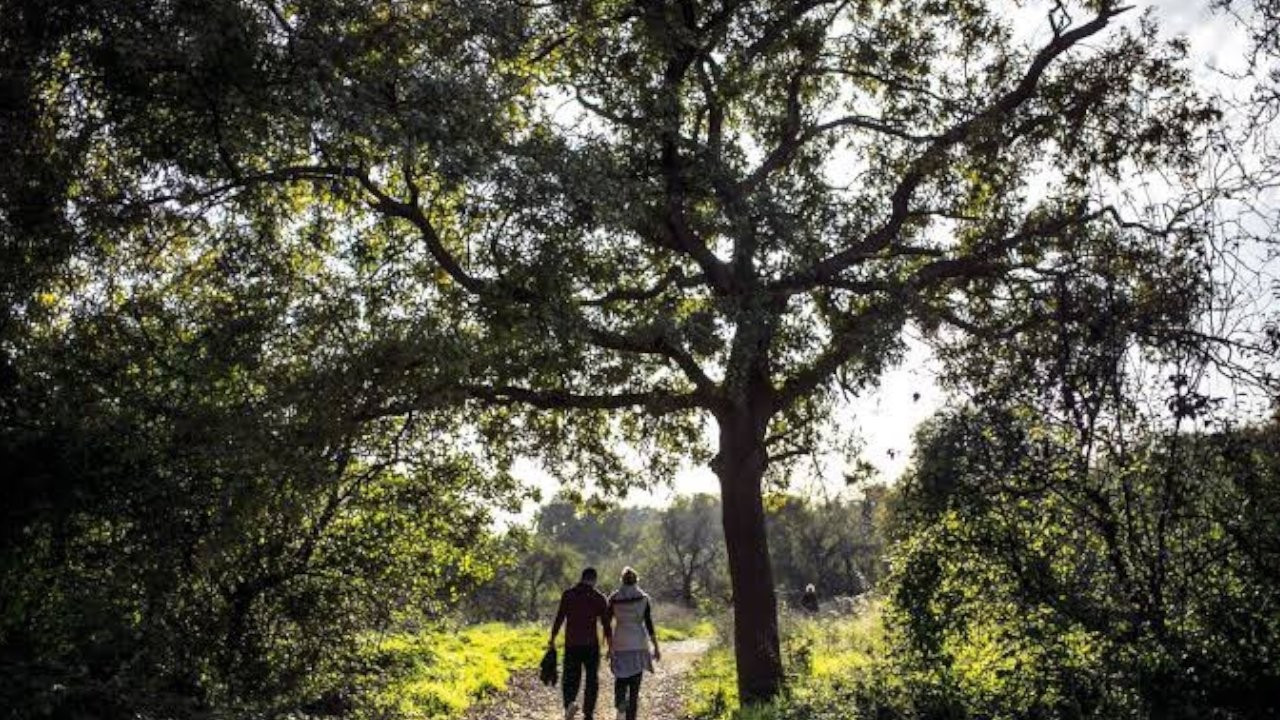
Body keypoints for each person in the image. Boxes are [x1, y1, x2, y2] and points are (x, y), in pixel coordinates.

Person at [550, 567, 612, 720]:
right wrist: (611, 646)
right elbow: (606, 624)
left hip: (572, 644)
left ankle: (569, 704)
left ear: (581, 577)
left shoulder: (568, 595)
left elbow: (559, 618)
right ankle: (588, 713)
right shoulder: (598, 597)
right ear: (594, 580)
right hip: (591, 645)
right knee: (592, 679)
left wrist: (552, 638)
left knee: (570, 678)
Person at [606, 567, 660, 720]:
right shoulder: (643, 598)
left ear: (622, 580)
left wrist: (609, 646)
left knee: (620, 679)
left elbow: (607, 624)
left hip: (620, 642)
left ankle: (620, 702)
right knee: (635, 686)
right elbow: (649, 624)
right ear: (637, 580)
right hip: (638, 643)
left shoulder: (614, 598)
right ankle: (631, 716)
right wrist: (656, 646)